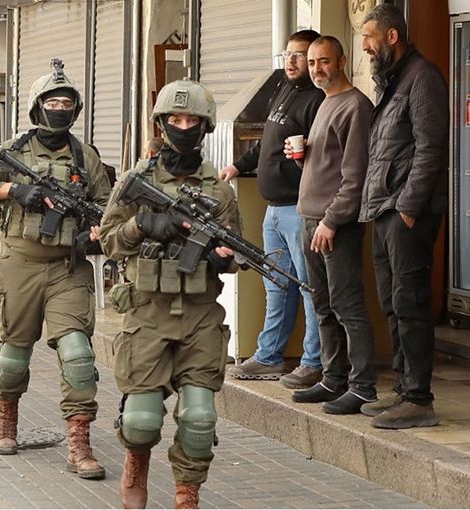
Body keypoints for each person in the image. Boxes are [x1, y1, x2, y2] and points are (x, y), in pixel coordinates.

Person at [0, 58, 111, 481]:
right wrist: (12, 189)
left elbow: (108, 207)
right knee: (13, 355)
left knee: (78, 355)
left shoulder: (85, 156)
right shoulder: (14, 151)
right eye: (53, 102)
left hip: (68, 268)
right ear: (38, 105)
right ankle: (6, 421)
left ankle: (79, 442)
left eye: (67, 103)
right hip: (19, 265)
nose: (60, 109)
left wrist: (95, 232)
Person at [99, 79, 240, 509]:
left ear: (205, 126)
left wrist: (220, 258)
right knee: (141, 420)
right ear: (161, 124)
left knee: (199, 418)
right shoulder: (135, 181)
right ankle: (136, 462)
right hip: (148, 312)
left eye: (191, 120)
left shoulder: (218, 190)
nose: (183, 127)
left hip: (200, 315)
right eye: (175, 120)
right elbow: (108, 240)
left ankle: (186, 494)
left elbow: (234, 253)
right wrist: (142, 225)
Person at [358, 4, 448, 429]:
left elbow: (431, 148)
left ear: (391, 36)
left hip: (405, 210)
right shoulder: (393, 80)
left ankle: (418, 399)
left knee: (410, 303)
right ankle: (402, 389)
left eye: (369, 36)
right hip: (384, 207)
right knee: (392, 303)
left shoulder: (423, 76)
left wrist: (409, 208)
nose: (364, 45)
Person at [220, 29, 324, 388]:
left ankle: (313, 361)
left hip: (300, 209)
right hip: (274, 210)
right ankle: (269, 356)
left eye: (300, 55)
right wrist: (238, 165)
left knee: (309, 287)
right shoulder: (284, 90)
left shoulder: (317, 100)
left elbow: (323, 157)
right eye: (288, 54)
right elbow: (267, 142)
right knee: (278, 285)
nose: (291, 61)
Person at [290, 36, 377, 415]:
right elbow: (328, 164)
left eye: (324, 61)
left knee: (347, 305)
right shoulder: (325, 102)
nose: (316, 69)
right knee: (323, 305)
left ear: (341, 61)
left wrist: (331, 220)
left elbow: (356, 177)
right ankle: (333, 378)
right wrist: (302, 158)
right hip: (310, 219)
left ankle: (363, 387)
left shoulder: (355, 106)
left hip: (334, 225)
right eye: (311, 63)